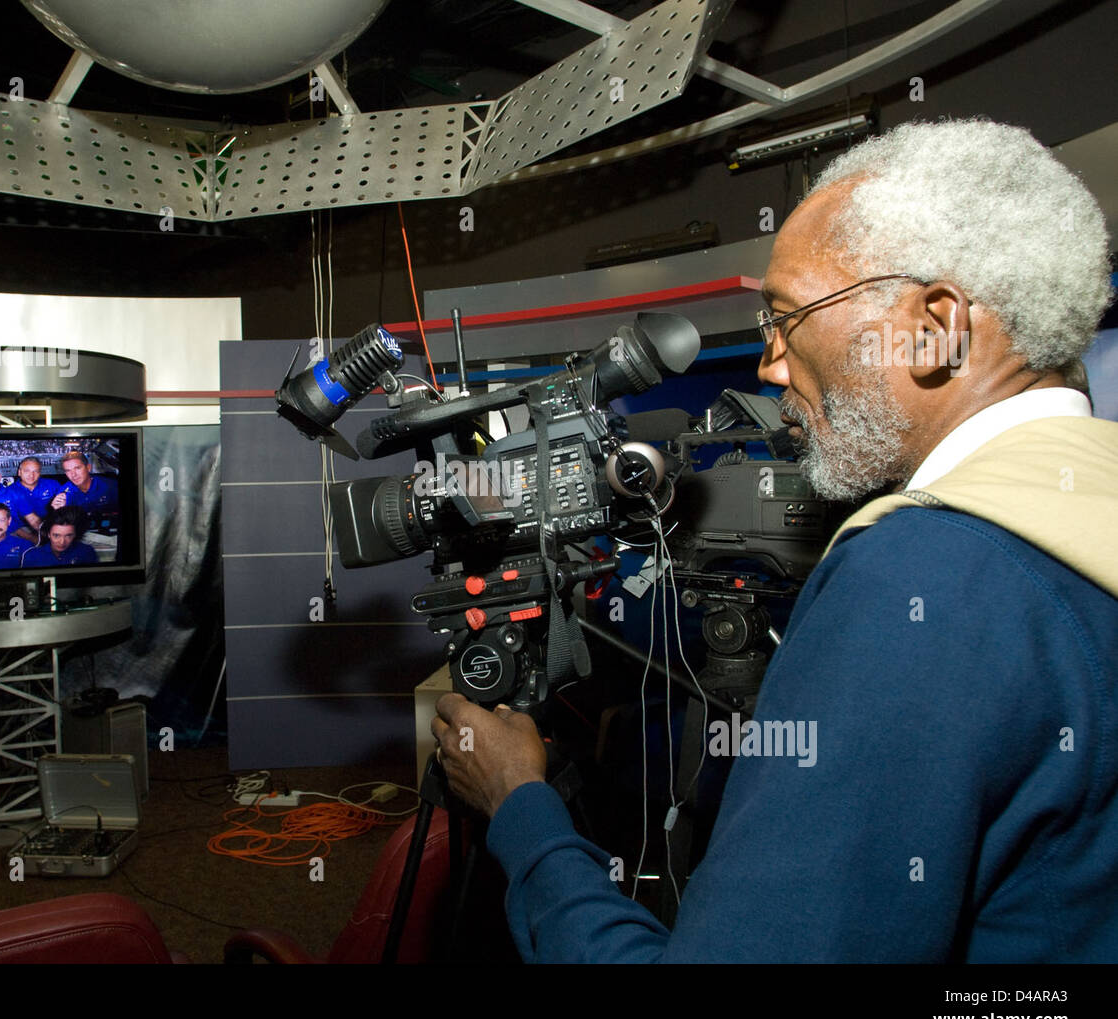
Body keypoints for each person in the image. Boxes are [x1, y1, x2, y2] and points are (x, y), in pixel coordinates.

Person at [431, 119, 1118, 963]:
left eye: (789, 318)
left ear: (934, 327)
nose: (769, 364)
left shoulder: (920, 578)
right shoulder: (1081, 516)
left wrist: (519, 804)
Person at [20, 506, 100, 568]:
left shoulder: (86, 552)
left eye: (68, 535)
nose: (62, 542)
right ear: (48, 534)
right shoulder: (32, 555)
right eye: (56, 535)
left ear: (75, 534)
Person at [49, 451, 118, 517]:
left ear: (88, 467)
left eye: (77, 468)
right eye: (68, 470)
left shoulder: (111, 486)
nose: (73, 475)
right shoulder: (63, 492)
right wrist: (59, 511)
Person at [10, 456, 59, 530]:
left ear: (40, 473)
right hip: (22, 529)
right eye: (27, 471)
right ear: (19, 472)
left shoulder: (52, 484)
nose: (31, 475)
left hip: (51, 524)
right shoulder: (10, 491)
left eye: (35, 471)